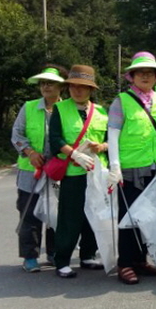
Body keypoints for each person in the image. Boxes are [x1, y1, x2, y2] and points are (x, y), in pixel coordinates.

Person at [106, 53, 156, 284]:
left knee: (149, 217)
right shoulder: (121, 101)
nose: (145, 75)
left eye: (150, 72)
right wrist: (115, 167)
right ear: (132, 76)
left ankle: (140, 260)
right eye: (140, 72)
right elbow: (112, 135)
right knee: (129, 217)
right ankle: (125, 263)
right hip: (130, 168)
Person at [48, 65, 109, 279]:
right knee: (70, 216)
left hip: (96, 173)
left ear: (91, 89)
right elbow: (55, 138)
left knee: (94, 213)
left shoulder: (101, 111)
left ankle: (88, 254)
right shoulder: (61, 109)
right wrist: (73, 154)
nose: (78, 90)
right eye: (73, 86)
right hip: (73, 173)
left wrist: (102, 147)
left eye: (83, 87)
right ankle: (62, 259)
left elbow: (111, 140)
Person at [11, 65, 66, 272]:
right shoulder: (29, 107)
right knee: (29, 215)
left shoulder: (67, 109)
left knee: (56, 214)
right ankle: (30, 256)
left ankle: (54, 253)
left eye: (50, 83)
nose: (46, 86)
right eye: (43, 83)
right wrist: (30, 153)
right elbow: (17, 134)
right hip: (30, 172)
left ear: (61, 86)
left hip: (58, 172)